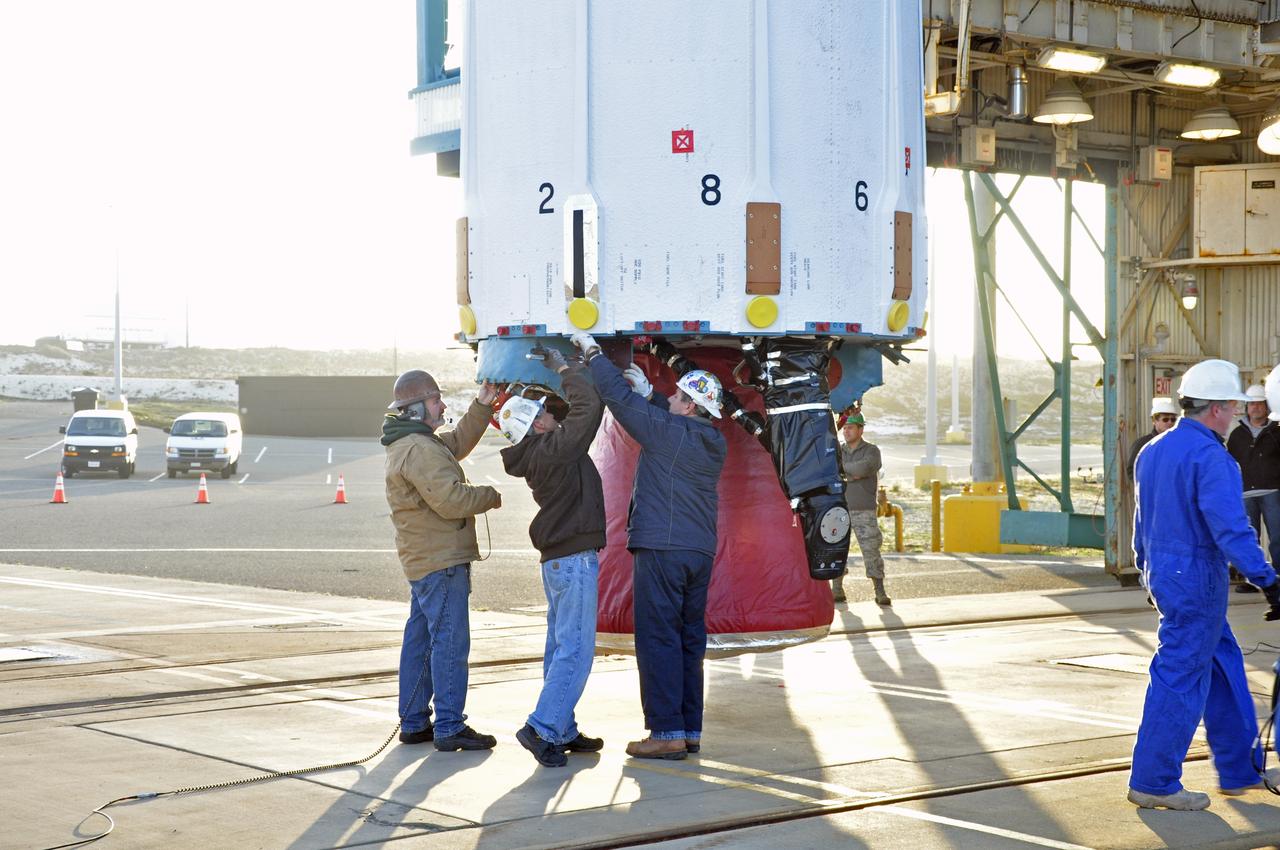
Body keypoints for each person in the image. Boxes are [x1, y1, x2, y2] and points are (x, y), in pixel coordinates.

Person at [1129, 358, 1280, 810]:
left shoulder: (1152, 450)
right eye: (1233, 406)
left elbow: (1141, 523)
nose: (1237, 412)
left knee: (1223, 663)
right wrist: (1268, 580)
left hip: (1165, 573)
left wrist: (1145, 568)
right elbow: (1231, 530)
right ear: (1216, 408)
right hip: (1197, 578)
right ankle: (1154, 781)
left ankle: (1238, 770)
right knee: (1178, 675)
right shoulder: (1213, 457)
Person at [572, 332, 726, 760]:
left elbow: (619, 402)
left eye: (677, 396)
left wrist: (594, 355)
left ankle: (665, 733)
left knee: (658, 639)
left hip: (662, 548)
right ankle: (687, 729)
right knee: (687, 642)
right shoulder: (712, 441)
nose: (671, 399)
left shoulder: (670, 434)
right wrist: (654, 395)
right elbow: (669, 421)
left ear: (692, 406)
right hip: (698, 553)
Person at [498, 347, 608, 768]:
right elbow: (588, 407)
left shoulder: (539, 453)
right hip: (574, 558)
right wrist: (566, 368)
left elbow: (572, 416)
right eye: (543, 413)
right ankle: (543, 727)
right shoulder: (555, 450)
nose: (551, 415)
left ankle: (562, 726)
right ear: (537, 425)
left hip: (560, 561)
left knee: (560, 644)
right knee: (576, 650)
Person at [382, 369, 502, 752]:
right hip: (441, 562)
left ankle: (415, 721)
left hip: (424, 561)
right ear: (417, 409)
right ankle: (449, 725)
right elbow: (451, 501)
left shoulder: (415, 442)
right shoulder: (419, 449)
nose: (442, 405)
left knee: (420, 640)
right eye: (436, 400)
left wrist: (483, 404)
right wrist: (489, 495)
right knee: (450, 643)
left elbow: (456, 443)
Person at [832, 408, 889, 606]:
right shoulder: (838, 450)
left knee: (871, 551)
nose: (846, 431)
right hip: (840, 510)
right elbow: (836, 470)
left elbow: (862, 468)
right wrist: (851, 473)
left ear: (861, 429)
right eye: (845, 428)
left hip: (864, 510)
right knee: (838, 550)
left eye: (851, 428)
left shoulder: (872, 451)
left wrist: (844, 469)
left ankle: (879, 591)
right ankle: (837, 589)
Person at [1226, 384, 1280, 582]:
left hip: (1272, 491)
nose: (1255, 407)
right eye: (1251, 404)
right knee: (1249, 540)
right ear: (1246, 407)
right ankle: (1251, 579)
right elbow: (1229, 463)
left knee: (1278, 538)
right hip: (1245, 493)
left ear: (1266, 406)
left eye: (1259, 403)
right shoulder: (1237, 435)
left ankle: (1278, 576)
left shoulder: (1277, 431)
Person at [1126, 398, 1179, 481]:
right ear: (1154, 421)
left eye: (1173, 419)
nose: (1170, 423)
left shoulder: (1177, 443)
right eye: (1165, 419)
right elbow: (1131, 470)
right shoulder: (1142, 444)